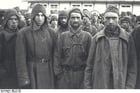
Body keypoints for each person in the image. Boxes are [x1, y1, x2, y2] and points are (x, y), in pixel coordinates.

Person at [84, 6, 137, 89]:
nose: (111, 21)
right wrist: (88, 87)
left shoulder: (127, 38)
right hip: (100, 84)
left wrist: (129, 88)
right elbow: (89, 66)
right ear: (103, 19)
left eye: (114, 18)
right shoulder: (97, 38)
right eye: (108, 18)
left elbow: (132, 67)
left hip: (120, 85)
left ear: (118, 19)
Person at [16, 4, 56, 89]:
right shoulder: (23, 33)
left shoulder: (52, 33)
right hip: (32, 70)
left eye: (42, 15)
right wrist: (24, 78)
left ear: (45, 17)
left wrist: (56, 71)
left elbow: (55, 54)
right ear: (33, 16)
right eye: (37, 15)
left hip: (48, 70)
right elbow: (20, 58)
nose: (40, 18)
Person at [54, 8, 92, 89]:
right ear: (69, 19)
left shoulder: (87, 36)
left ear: (82, 20)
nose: (75, 20)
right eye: (73, 18)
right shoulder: (63, 36)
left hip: (82, 76)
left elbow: (91, 58)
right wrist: (59, 75)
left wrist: (88, 76)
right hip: (65, 76)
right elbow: (57, 56)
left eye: (78, 18)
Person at [0, 9, 20, 88]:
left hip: (19, 72)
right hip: (5, 73)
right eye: (11, 19)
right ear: (6, 21)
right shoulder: (1, 36)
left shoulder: (21, 35)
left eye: (15, 19)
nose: (14, 22)